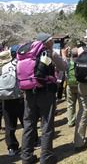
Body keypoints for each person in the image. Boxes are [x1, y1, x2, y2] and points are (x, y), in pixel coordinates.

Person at [21, 33, 68, 164]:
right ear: (46, 42)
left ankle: (26, 157)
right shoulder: (48, 53)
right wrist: (62, 56)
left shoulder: (27, 53)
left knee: (29, 124)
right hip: (46, 92)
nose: (53, 43)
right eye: (51, 41)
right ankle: (46, 156)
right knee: (46, 124)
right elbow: (63, 67)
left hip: (29, 92)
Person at [0, 46, 23, 156]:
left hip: (5, 98)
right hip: (19, 97)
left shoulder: (2, 67)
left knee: (9, 125)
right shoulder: (19, 64)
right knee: (26, 122)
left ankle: (12, 148)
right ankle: (33, 141)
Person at [66, 47, 79, 127]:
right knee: (81, 105)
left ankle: (70, 121)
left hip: (69, 85)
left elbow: (65, 74)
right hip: (79, 85)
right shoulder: (80, 62)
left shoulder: (68, 62)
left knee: (70, 104)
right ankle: (81, 120)